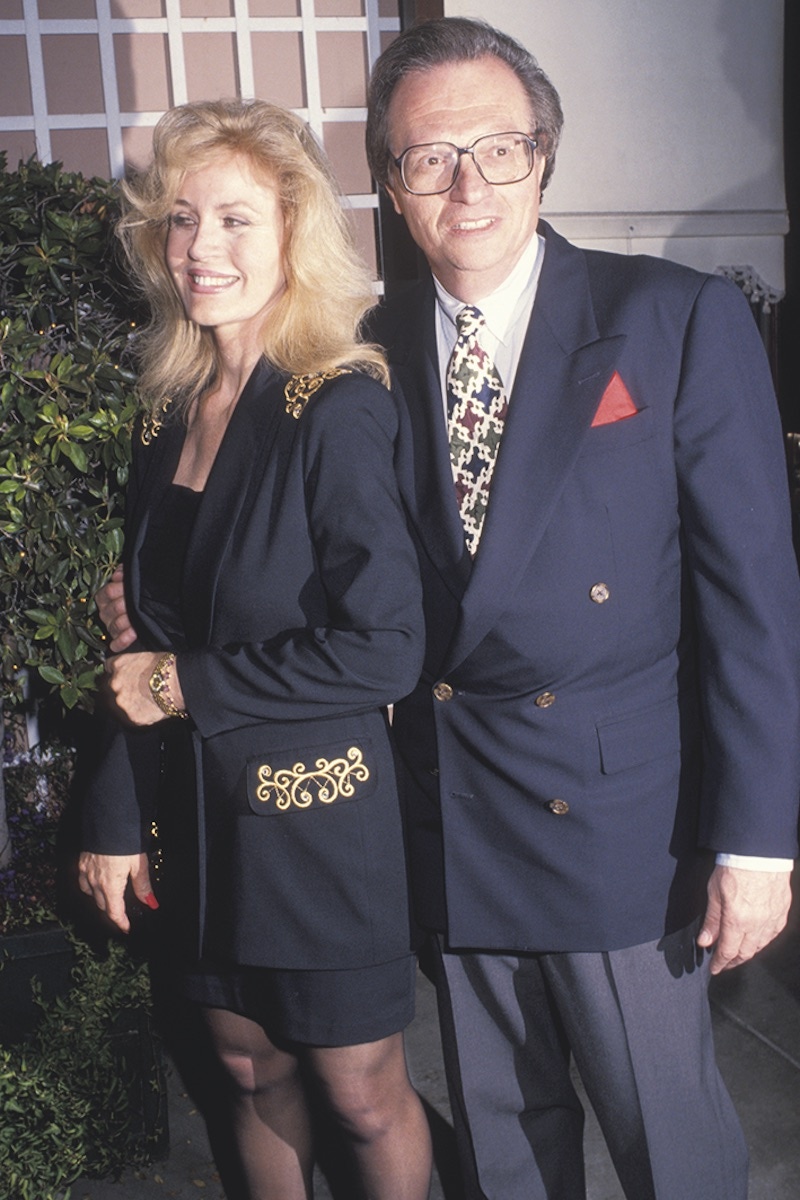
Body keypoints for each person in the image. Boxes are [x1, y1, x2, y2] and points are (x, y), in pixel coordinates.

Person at [360, 16, 800, 1200]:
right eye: (427, 156)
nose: (466, 183)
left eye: (495, 148)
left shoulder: (672, 319)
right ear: (391, 185)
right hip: (454, 814)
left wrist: (757, 840)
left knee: (672, 1152)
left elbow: (752, 601)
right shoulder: (365, 352)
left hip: (622, 830)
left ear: (543, 157)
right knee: (506, 1153)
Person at [78, 98, 432, 1200]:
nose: (201, 250)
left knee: (361, 1090)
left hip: (313, 818)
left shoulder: (336, 406)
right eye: (180, 221)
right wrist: (107, 815)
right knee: (240, 1067)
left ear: (292, 232)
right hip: (191, 817)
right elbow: (136, 639)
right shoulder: (168, 408)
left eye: (235, 220)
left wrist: (182, 681)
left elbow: (385, 650)